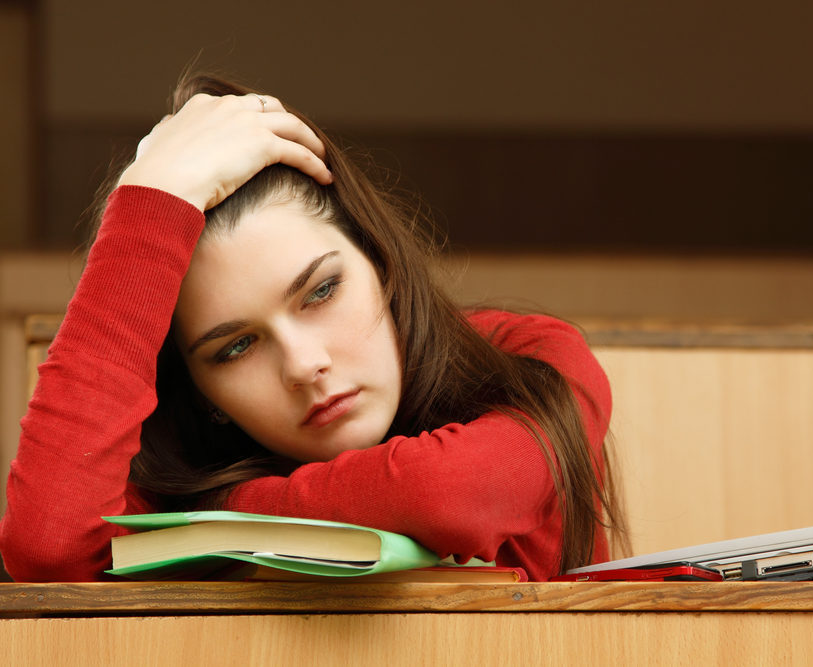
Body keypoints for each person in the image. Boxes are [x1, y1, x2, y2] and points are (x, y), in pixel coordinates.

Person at [0, 73, 628, 582]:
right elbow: (47, 547)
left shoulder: (528, 356)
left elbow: (449, 494)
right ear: (203, 395)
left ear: (381, 263)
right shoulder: (182, 469)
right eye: (236, 347)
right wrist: (149, 200)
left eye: (321, 291)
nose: (304, 365)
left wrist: (214, 523)